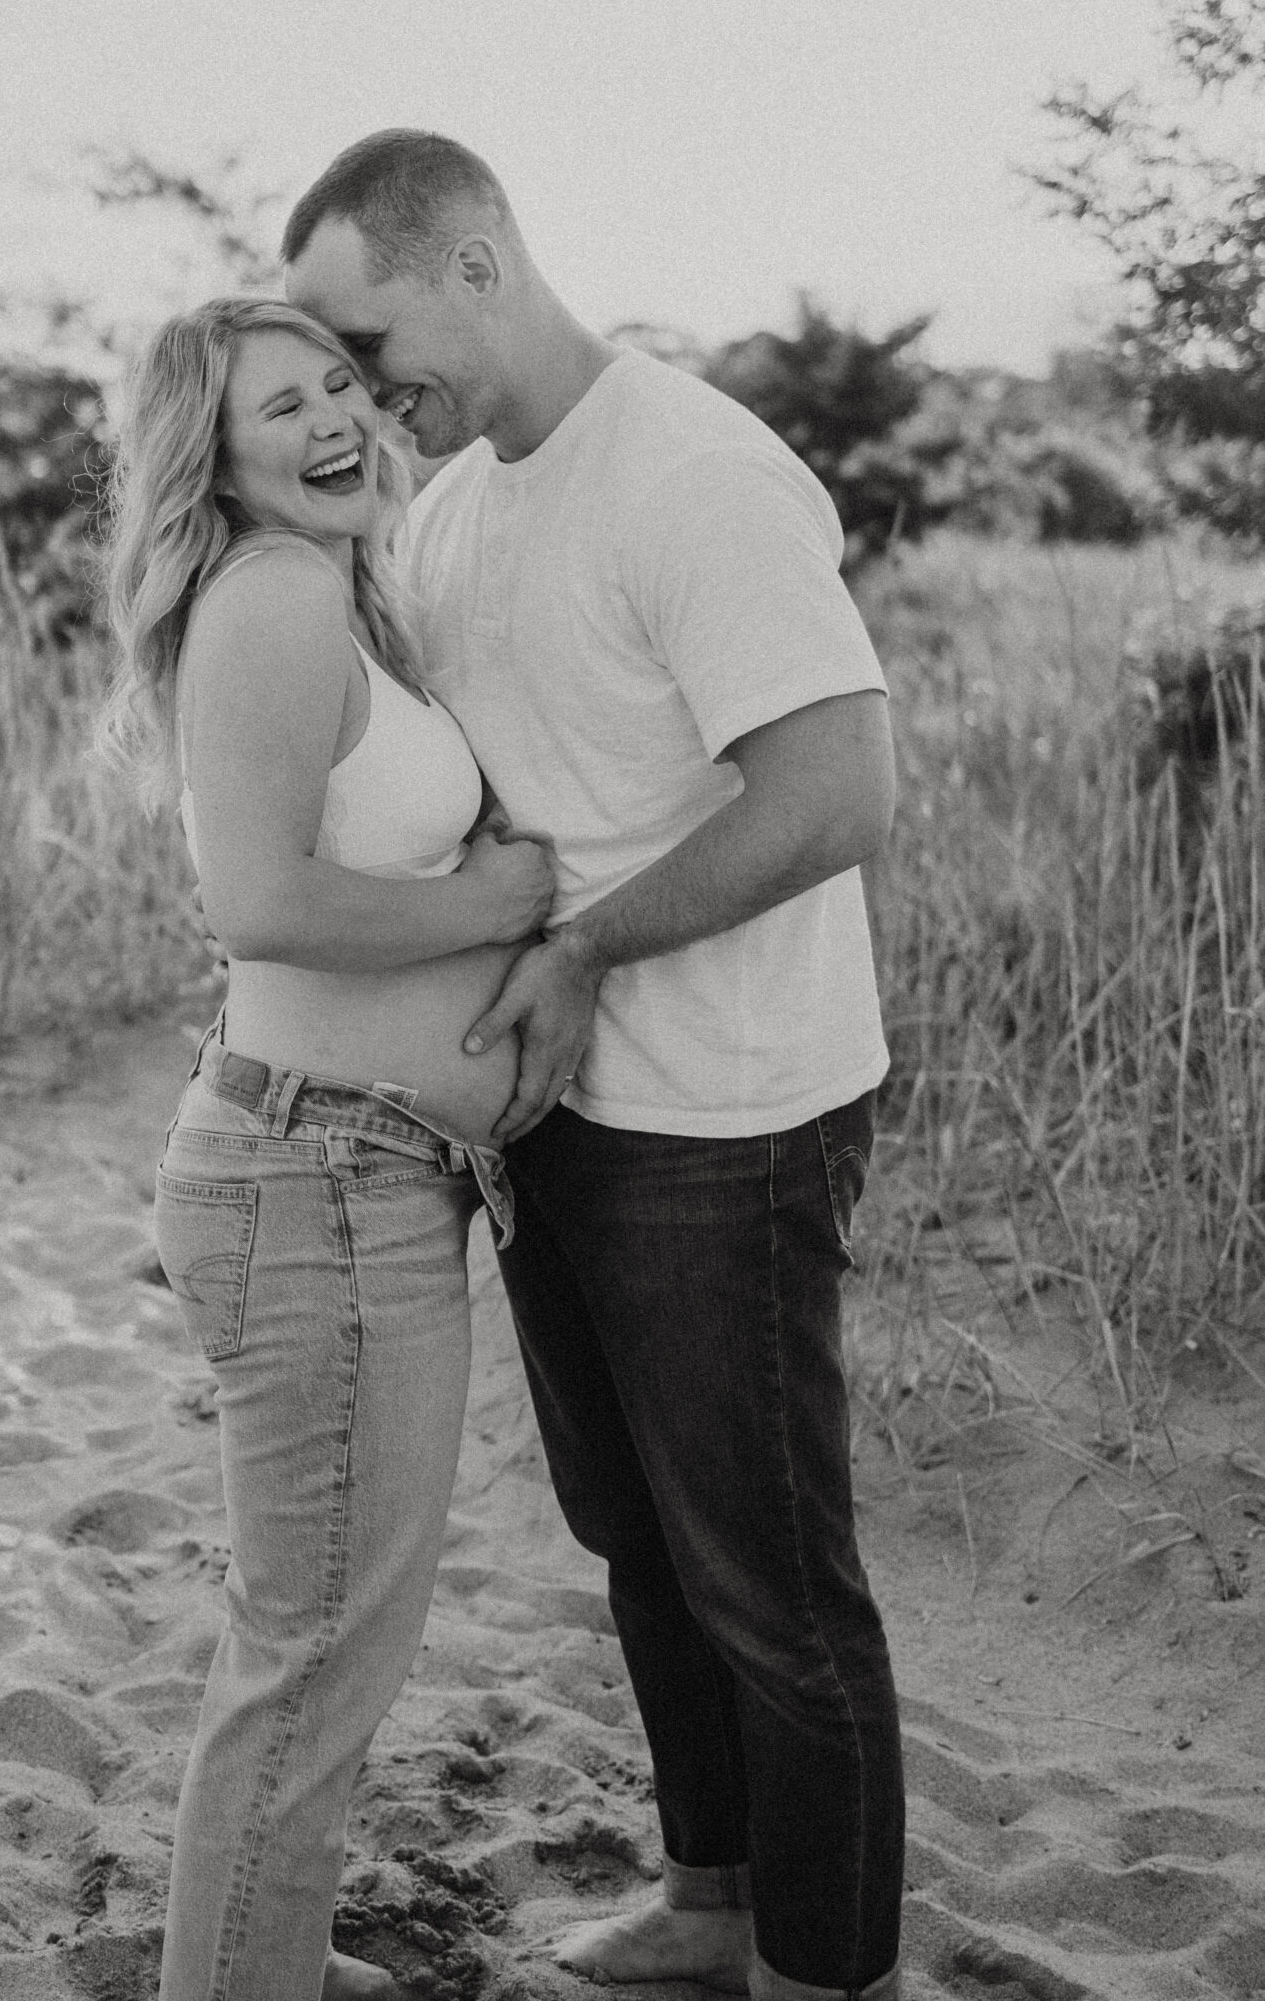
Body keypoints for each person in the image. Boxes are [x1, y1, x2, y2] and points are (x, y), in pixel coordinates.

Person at [284, 133, 905, 2001]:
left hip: (728, 1113)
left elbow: (837, 793)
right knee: (637, 1540)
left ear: (476, 261)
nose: (356, 389)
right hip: (558, 1116)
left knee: (773, 1587)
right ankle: (712, 1905)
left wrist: (581, 949)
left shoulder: (693, 471)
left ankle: (828, 1971)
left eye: (366, 339)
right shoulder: (461, 505)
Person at [100, 293, 556, 2001]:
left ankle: (264, 1950)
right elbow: (260, 904)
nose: (334, 421)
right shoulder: (277, 595)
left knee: (327, 1639)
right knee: (310, 1654)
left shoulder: (333, 592)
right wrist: (494, 902)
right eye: (278, 407)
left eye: (340, 384)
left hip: (345, 1176)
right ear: (211, 459)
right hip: (322, 1186)